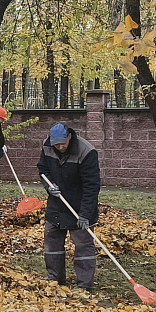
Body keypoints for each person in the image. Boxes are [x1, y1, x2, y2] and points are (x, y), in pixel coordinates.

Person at [37, 121, 101, 290]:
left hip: (79, 206)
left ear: (70, 137)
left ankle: (84, 285)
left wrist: (86, 214)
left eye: (62, 143)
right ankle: (55, 277)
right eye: (56, 144)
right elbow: (43, 170)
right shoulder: (47, 146)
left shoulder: (86, 152)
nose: (59, 147)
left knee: (83, 246)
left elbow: (92, 186)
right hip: (56, 205)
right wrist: (49, 186)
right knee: (52, 243)